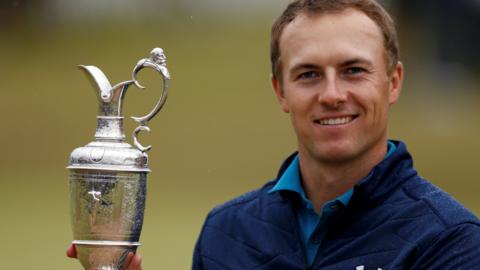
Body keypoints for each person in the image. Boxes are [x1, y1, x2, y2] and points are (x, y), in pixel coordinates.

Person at [69, 0, 480, 269]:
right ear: (281, 91)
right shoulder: (226, 232)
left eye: (354, 70)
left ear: (393, 83)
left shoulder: (450, 241)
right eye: (308, 74)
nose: (332, 95)